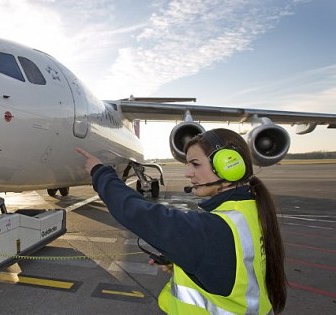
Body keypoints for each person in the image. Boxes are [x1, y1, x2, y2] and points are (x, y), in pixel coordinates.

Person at [76, 128, 286, 314]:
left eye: (195, 164)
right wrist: (187, 262)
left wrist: (100, 172)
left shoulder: (212, 228)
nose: (187, 173)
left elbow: (137, 212)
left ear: (228, 165)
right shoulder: (251, 211)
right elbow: (233, 265)